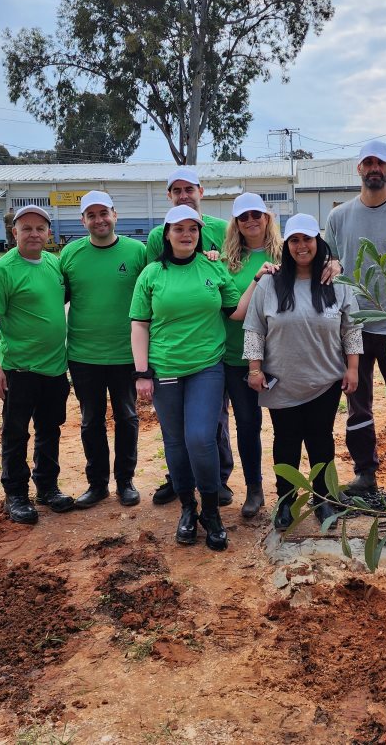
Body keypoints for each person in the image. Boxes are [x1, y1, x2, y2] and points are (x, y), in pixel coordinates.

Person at [130, 205, 274, 551]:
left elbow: (236, 312)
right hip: (165, 370)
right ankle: (186, 509)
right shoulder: (151, 274)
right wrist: (141, 373)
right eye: (178, 229)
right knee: (175, 442)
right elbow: (139, 323)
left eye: (192, 229)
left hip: (207, 368)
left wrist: (256, 281)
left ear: (198, 233)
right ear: (167, 234)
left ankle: (211, 512)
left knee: (200, 438)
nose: (186, 235)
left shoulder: (212, 267)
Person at [244, 214, 361, 530]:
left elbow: (351, 328)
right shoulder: (270, 282)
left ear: (317, 242)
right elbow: (254, 329)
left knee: (321, 440)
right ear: (287, 245)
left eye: (307, 239)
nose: (301, 246)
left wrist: (352, 368)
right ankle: (286, 502)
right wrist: (254, 369)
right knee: (286, 442)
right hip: (282, 381)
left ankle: (324, 500)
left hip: (324, 379)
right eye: (294, 240)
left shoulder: (335, 284)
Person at [323, 140, 386, 502]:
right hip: (354, 328)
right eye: (367, 163)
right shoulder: (338, 218)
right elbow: (330, 267)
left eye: (379, 163)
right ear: (359, 169)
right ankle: (365, 475)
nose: (373, 169)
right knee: (358, 405)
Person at [145, 168, 235, 507]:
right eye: (176, 190)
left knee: (213, 419)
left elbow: (234, 268)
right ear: (169, 197)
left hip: (213, 342)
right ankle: (179, 480)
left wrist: (217, 258)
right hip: (171, 347)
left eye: (189, 189)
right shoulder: (158, 236)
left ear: (201, 190)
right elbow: (161, 276)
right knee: (177, 428)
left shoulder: (222, 230)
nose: (184, 195)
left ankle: (218, 480)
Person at [0, 204, 73, 524]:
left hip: (54, 368)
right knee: (16, 433)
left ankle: (47, 487)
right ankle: (16, 494)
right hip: (19, 370)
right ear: (14, 232)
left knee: (50, 430)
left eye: (40, 228)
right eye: (26, 228)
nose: (34, 233)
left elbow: (52, 304)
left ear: (48, 233)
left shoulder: (54, 264)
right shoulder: (3, 270)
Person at [60, 190, 148, 509]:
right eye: (91, 215)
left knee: (127, 416)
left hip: (126, 353)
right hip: (84, 355)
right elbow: (55, 298)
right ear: (83, 220)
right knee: (90, 420)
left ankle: (125, 481)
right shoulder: (70, 255)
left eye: (104, 213)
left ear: (115, 215)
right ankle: (97, 484)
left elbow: (157, 290)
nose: (99, 220)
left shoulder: (137, 252)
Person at [221, 192, 283, 519]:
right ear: (236, 223)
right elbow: (230, 311)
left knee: (286, 426)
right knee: (247, 424)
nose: (250, 222)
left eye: (256, 215)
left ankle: (287, 491)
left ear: (266, 217)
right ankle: (254, 488)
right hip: (236, 358)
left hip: (279, 357)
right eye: (243, 217)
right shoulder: (227, 262)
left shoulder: (286, 253)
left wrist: (333, 261)